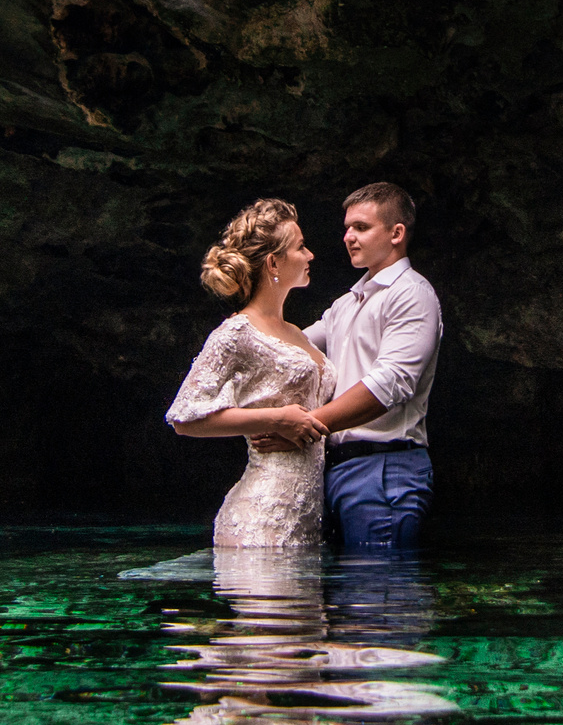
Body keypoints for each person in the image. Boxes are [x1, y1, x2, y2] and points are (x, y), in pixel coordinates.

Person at [257, 182, 442, 548]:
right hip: (335, 467)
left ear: (396, 233)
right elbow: (291, 348)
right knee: (346, 596)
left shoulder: (413, 294)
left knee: (377, 594)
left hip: (385, 466)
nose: (348, 237)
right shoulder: (345, 304)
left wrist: (305, 426)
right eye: (346, 228)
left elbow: (390, 383)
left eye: (361, 227)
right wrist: (248, 318)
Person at [165, 199, 336, 547]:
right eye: (301, 247)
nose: (311, 255)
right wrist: (276, 419)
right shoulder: (237, 333)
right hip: (262, 516)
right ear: (274, 262)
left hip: (307, 515)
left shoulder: (298, 333)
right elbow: (184, 417)